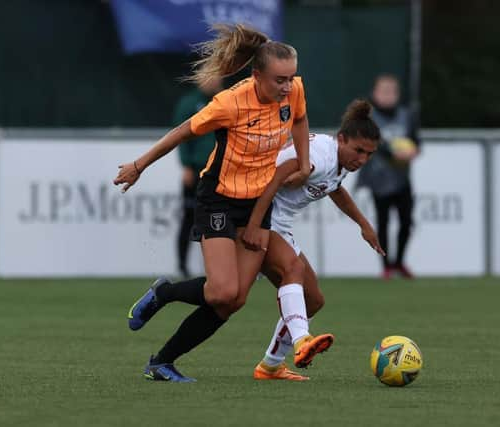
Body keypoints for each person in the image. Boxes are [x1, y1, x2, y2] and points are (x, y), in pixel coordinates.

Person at [114, 24, 333, 382]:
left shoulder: (293, 92)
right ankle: (165, 292)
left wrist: (305, 162)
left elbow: (301, 118)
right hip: (218, 198)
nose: (287, 86)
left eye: (291, 78)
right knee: (222, 291)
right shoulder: (229, 103)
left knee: (233, 301)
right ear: (257, 74)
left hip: (257, 205)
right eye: (279, 79)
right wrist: (139, 165)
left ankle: (161, 362)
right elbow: (182, 131)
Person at [242, 99, 385, 380]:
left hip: (278, 226)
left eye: (369, 154)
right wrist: (254, 224)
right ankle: (301, 341)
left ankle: (271, 365)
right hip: (258, 219)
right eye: (359, 151)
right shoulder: (319, 156)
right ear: (340, 139)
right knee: (226, 296)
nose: (363, 160)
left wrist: (364, 225)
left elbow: (335, 189)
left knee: (313, 299)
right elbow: (272, 178)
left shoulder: (339, 162)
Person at [356, 74, 420, 280]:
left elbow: (415, 140)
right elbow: (373, 143)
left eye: (392, 91)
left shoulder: (406, 115)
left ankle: (399, 262)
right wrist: (393, 154)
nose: (388, 95)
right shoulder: (370, 117)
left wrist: (413, 151)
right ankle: (386, 266)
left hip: (402, 178)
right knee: (382, 222)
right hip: (379, 178)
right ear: (375, 93)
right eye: (383, 91)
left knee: (406, 221)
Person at [173, 77, 223, 278]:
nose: (213, 81)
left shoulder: (225, 100)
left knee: (221, 219)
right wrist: (186, 165)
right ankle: (182, 265)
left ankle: (221, 267)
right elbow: (180, 135)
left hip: (221, 171)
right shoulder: (189, 103)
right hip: (196, 170)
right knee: (189, 217)